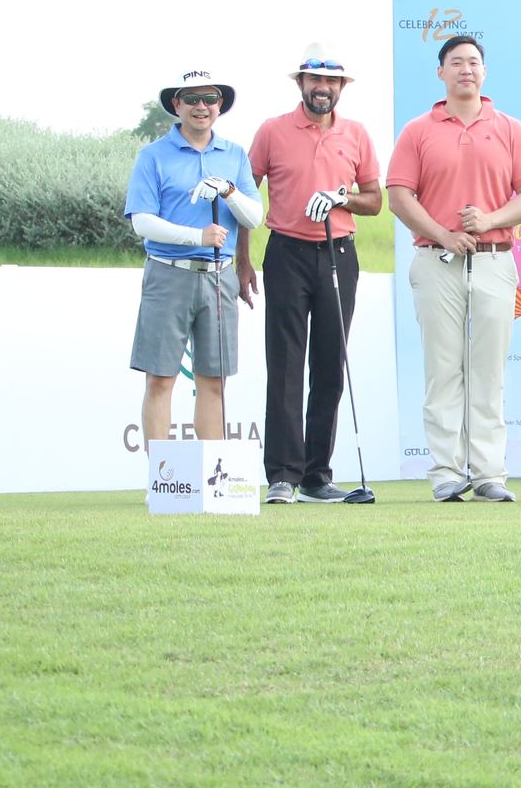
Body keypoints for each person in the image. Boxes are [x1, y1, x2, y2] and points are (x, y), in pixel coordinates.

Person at [386, 34, 521, 501]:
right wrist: (443, 233)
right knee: (442, 369)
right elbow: (399, 196)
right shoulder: (418, 130)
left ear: (485, 71)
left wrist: (491, 220)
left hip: (495, 260)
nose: (466, 70)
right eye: (456, 63)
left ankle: (490, 472)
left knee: (489, 370)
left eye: (474, 62)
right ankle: (446, 472)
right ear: (441, 72)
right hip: (437, 260)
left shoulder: (511, 128)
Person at [247, 43, 384, 504]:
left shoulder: (357, 134)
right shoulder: (272, 131)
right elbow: (247, 198)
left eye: (331, 82)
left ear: (341, 87)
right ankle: (282, 475)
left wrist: (341, 196)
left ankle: (316, 476)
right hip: (286, 252)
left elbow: (374, 200)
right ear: (300, 84)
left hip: (336, 252)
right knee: (285, 364)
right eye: (314, 80)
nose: (322, 89)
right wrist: (243, 259)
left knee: (330, 364)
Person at [123, 68, 262, 446]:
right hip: (169, 273)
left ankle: (212, 479)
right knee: (160, 378)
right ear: (177, 105)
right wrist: (196, 236)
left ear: (220, 105)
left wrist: (228, 191)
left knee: (214, 381)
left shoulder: (233, 155)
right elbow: (142, 222)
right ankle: (161, 480)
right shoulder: (153, 156)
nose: (201, 107)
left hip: (219, 277)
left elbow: (254, 216)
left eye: (209, 99)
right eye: (192, 99)